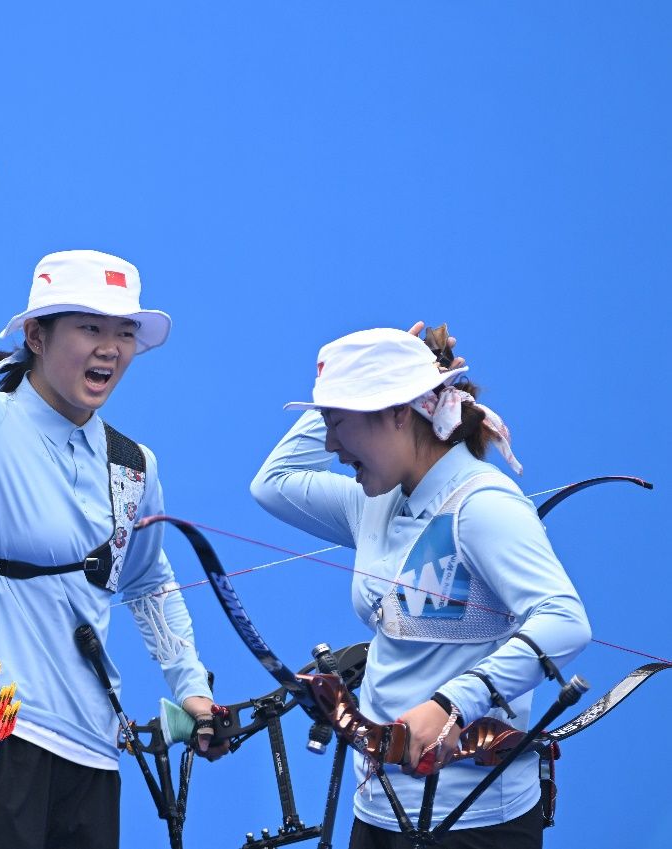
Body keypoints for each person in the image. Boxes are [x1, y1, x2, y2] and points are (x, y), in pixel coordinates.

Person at [0, 92, 224, 849]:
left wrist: (191, 687)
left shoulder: (133, 465)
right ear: (36, 336)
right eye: (88, 328)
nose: (110, 348)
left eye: (123, 332)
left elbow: (147, 578)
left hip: (92, 754)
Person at [250, 324, 591, 849]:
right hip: (378, 810)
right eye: (325, 421)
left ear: (398, 413)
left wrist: (452, 702)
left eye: (337, 423)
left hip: (473, 823)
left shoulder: (481, 504)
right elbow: (272, 484)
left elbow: (565, 620)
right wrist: (347, 387)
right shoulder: (374, 500)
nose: (330, 444)